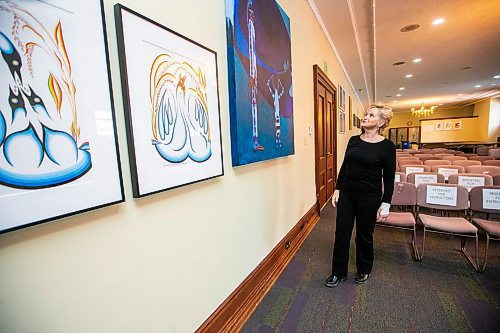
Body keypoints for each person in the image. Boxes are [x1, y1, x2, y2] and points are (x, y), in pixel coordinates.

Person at [325, 105, 396, 287]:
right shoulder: (353, 140)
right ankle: (338, 272)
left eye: (371, 115)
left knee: (364, 235)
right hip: (347, 194)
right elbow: (344, 166)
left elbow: (389, 178)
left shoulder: (387, 147)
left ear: (381, 122)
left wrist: (386, 203)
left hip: (369, 197)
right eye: (366, 114)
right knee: (342, 234)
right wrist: (337, 188)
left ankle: (364, 269)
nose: (365, 117)